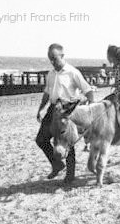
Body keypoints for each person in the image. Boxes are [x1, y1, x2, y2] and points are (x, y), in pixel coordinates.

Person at [36, 43, 96, 179]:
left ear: (62, 56)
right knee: (41, 139)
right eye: (50, 58)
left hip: (67, 110)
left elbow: (87, 90)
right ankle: (57, 164)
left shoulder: (73, 72)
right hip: (53, 109)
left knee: (67, 142)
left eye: (54, 58)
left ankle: (70, 176)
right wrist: (40, 109)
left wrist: (91, 107)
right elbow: (46, 93)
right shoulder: (50, 74)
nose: (52, 61)